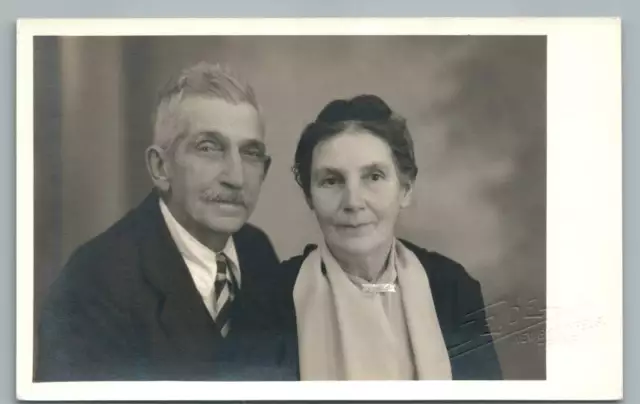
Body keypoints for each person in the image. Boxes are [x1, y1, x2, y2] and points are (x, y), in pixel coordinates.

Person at [36, 62, 287, 381]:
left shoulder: (257, 251)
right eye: (209, 148)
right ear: (160, 167)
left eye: (250, 153)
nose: (236, 178)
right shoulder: (91, 288)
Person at [278, 94, 503, 380]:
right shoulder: (271, 298)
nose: (353, 202)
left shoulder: (452, 289)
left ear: (405, 189)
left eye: (373, 176)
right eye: (331, 181)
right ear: (309, 196)